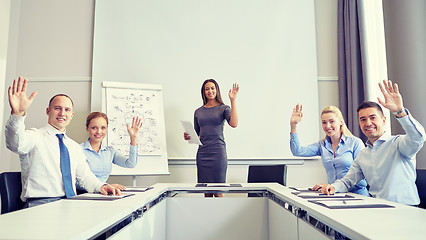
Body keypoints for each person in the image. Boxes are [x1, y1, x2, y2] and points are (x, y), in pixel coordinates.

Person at [5, 76, 121, 208]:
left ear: (71, 115)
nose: (62, 113)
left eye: (67, 110)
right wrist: (17, 115)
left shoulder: (74, 147)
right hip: (40, 204)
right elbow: (15, 143)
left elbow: (86, 177)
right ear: (48, 111)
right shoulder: (35, 136)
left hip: (69, 203)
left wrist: (103, 186)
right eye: (57, 108)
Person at [318, 80, 426, 206]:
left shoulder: (399, 144)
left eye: (373, 118)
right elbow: (348, 181)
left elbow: (418, 137)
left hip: (404, 210)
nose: (368, 123)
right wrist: (333, 187)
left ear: (384, 120)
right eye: (363, 120)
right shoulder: (363, 154)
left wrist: (400, 112)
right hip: (376, 209)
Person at [290, 105, 369, 196]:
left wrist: (335, 186)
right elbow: (297, 151)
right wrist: (293, 125)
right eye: (324, 122)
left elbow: (362, 175)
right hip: (335, 195)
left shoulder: (355, 143)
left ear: (341, 122)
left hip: (358, 195)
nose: (328, 126)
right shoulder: (322, 145)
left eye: (331, 121)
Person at [184, 79, 239, 197]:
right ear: (203, 92)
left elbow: (234, 124)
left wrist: (233, 100)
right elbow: (198, 135)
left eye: (212, 88)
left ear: (217, 90)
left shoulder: (224, 108)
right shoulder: (198, 112)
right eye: (207, 89)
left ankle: (220, 216)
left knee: (219, 192)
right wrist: (189, 136)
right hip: (203, 154)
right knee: (207, 193)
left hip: (218, 154)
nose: (210, 91)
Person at [78, 112, 142, 191]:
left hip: (103, 195)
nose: (99, 131)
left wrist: (133, 138)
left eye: (103, 128)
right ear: (87, 128)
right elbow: (74, 181)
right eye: (94, 128)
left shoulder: (110, 151)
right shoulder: (78, 150)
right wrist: (103, 186)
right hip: (83, 196)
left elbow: (131, 164)